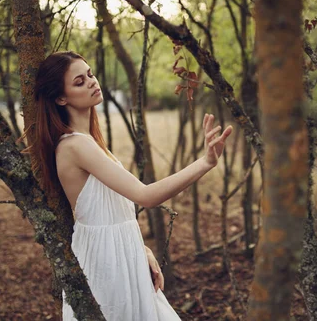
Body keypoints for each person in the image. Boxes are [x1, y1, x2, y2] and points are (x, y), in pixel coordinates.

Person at [26, 51, 232, 320]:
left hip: (122, 252)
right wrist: (205, 163)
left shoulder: (90, 142)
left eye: (90, 74)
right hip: (105, 263)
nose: (91, 81)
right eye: (79, 81)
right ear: (61, 98)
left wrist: (140, 248)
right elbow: (145, 196)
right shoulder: (74, 145)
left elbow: (113, 208)